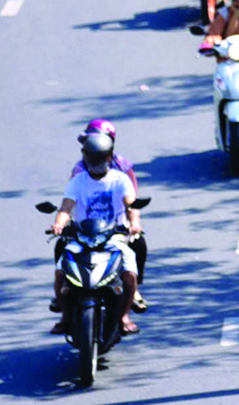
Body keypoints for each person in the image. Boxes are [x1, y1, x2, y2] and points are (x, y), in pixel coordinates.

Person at [48, 129, 140, 336]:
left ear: (109, 157)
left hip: (114, 236)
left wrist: (134, 223)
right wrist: (58, 224)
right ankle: (65, 316)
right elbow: (65, 208)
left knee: (129, 273)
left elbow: (131, 205)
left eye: (101, 157)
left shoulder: (120, 180)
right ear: (85, 157)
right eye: (92, 157)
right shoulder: (77, 181)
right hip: (83, 236)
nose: (96, 162)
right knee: (60, 271)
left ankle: (124, 315)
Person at [63, 119, 148, 310]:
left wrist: (133, 222)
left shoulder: (122, 168)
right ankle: (65, 286)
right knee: (61, 245)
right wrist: (63, 221)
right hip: (87, 227)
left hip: (114, 226)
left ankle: (134, 288)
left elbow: (132, 197)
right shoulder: (80, 169)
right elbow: (70, 196)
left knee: (139, 243)